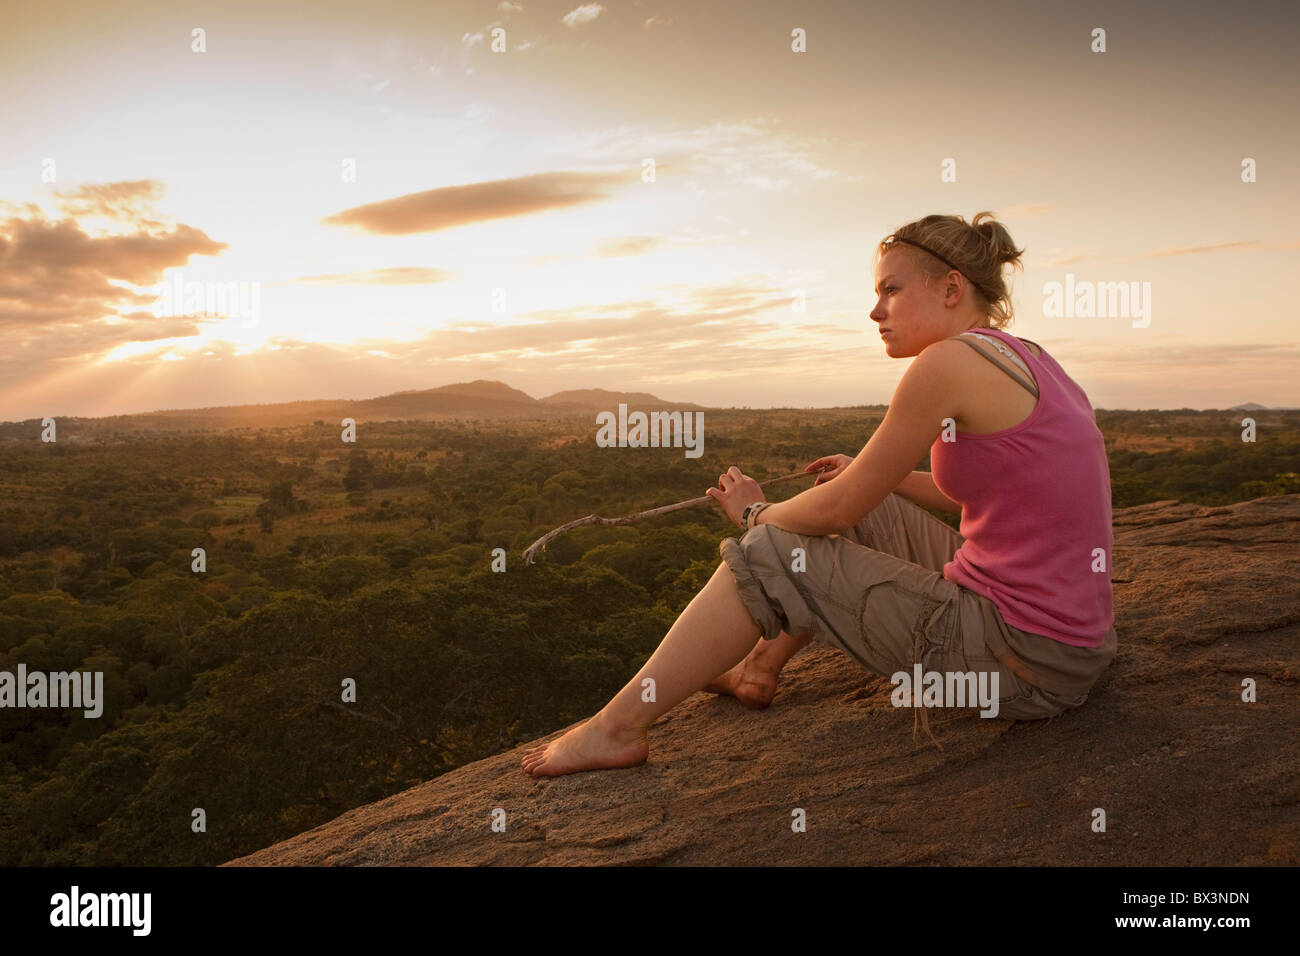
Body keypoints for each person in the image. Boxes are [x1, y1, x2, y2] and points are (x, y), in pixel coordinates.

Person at [521, 211, 1117, 777]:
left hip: (1023, 660)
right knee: (859, 496)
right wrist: (867, 474)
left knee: (771, 546)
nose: (874, 310)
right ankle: (756, 667)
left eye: (891, 290)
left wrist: (754, 511)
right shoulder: (1029, 358)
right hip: (1067, 645)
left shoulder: (946, 363)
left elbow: (834, 512)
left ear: (951, 287)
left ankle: (617, 728)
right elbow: (986, 495)